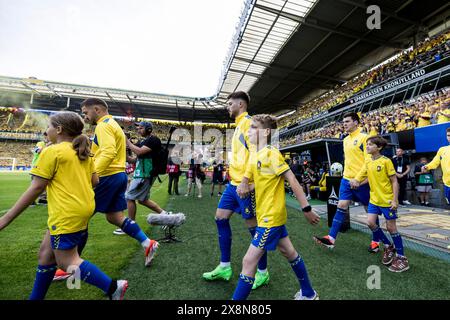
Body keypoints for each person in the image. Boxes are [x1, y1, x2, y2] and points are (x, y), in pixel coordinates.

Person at [0, 112, 128, 299]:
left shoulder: (51, 151)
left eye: (49, 127)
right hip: (81, 209)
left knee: (67, 261)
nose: (47, 131)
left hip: (66, 213)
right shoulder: (83, 152)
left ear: (59, 129)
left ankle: (113, 287)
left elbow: (36, 188)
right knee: (46, 254)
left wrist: (5, 219)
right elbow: (95, 181)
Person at [231, 114, 320, 300]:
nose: (249, 130)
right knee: (289, 252)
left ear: (266, 132)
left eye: (254, 127)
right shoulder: (257, 154)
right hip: (269, 216)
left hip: (270, 218)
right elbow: (266, 182)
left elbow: (292, 179)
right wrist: (248, 187)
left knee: (248, 261)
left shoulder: (271, 153)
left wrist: (306, 208)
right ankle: (309, 294)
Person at [202, 91, 270, 290]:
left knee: (254, 230)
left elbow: (257, 153)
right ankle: (224, 267)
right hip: (233, 185)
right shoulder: (239, 125)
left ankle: (263, 272)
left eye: (230, 103)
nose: (227, 106)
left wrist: (247, 181)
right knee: (220, 218)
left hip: (245, 185)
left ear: (241, 104)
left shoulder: (249, 123)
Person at [80, 98, 158, 266]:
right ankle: (147, 243)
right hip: (118, 175)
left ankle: (70, 262)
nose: (85, 116)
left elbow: (108, 152)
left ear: (97, 109)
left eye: (86, 112)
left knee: (80, 217)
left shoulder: (103, 125)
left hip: (106, 177)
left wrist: (92, 175)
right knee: (115, 217)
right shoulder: (113, 124)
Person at [313, 112, 380, 252]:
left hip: (362, 181)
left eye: (347, 121)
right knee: (342, 205)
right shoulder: (345, 140)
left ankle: (375, 241)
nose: (344, 124)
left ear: (356, 122)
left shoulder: (364, 138)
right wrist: (347, 176)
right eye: (343, 122)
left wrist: (358, 178)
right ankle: (331, 238)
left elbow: (368, 161)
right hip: (346, 179)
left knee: (370, 212)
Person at [350, 136, 409, 272]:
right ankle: (388, 245)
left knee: (391, 228)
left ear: (379, 147)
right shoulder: (368, 162)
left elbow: (394, 181)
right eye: (367, 144)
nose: (367, 147)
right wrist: (356, 181)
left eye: (370, 144)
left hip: (387, 200)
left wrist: (395, 200)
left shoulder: (386, 161)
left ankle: (401, 258)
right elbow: (362, 176)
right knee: (371, 223)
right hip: (374, 200)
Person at [113, 121, 172, 236]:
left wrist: (127, 141)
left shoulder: (153, 140)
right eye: (138, 128)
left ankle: (130, 226)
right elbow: (135, 160)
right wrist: (124, 154)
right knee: (142, 200)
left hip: (145, 173)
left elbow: (139, 151)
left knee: (129, 197)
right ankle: (165, 214)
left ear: (149, 129)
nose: (138, 130)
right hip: (142, 172)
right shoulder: (142, 142)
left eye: (141, 128)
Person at [422, 127, 450, 205]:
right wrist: (427, 167)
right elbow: (435, 162)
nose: (449, 137)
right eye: (448, 135)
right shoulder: (442, 150)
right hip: (447, 184)